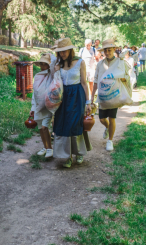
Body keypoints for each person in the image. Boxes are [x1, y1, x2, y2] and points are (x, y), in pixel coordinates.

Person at [53, 38, 92, 168]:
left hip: (77, 96)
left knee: (76, 123)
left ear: (70, 50)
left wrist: (88, 102)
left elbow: (84, 83)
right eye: (60, 52)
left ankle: (79, 153)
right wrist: (56, 71)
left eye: (64, 51)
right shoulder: (58, 65)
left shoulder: (80, 62)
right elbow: (55, 83)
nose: (62, 54)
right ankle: (67, 156)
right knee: (63, 124)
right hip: (63, 97)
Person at [92, 38, 131, 151]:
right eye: (105, 50)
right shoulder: (100, 64)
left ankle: (110, 141)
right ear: (102, 51)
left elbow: (126, 78)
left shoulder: (120, 63)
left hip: (114, 96)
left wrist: (123, 77)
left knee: (112, 118)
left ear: (114, 49)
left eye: (110, 50)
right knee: (102, 119)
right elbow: (95, 81)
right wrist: (91, 97)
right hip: (103, 97)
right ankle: (107, 128)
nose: (107, 52)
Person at [30, 54, 54, 157]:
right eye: (41, 64)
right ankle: (45, 147)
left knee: (45, 127)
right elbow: (35, 93)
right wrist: (33, 107)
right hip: (38, 105)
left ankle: (50, 149)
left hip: (47, 106)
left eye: (45, 64)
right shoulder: (38, 76)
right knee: (40, 128)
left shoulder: (52, 75)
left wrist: (50, 56)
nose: (42, 66)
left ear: (49, 65)